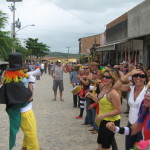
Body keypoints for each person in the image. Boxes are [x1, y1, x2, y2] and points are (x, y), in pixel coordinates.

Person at [0, 52, 39, 150]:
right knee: (31, 136)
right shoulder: (15, 83)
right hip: (25, 113)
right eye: (20, 70)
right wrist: (31, 84)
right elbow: (29, 98)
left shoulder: (9, 80)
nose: (22, 72)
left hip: (21, 112)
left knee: (28, 135)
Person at [86, 69, 122, 150]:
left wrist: (104, 115)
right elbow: (100, 101)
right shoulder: (103, 88)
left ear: (113, 79)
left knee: (105, 146)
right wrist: (91, 96)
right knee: (100, 144)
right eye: (104, 76)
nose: (105, 79)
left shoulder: (113, 93)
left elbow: (119, 110)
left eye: (108, 77)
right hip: (103, 120)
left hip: (111, 122)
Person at [113, 67, 148, 150]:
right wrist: (129, 74)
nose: (138, 78)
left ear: (145, 78)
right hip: (130, 124)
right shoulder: (130, 87)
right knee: (128, 148)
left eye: (141, 76)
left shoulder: (148, 90)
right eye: (136, 75)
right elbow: (115, 87)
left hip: (142, 126)